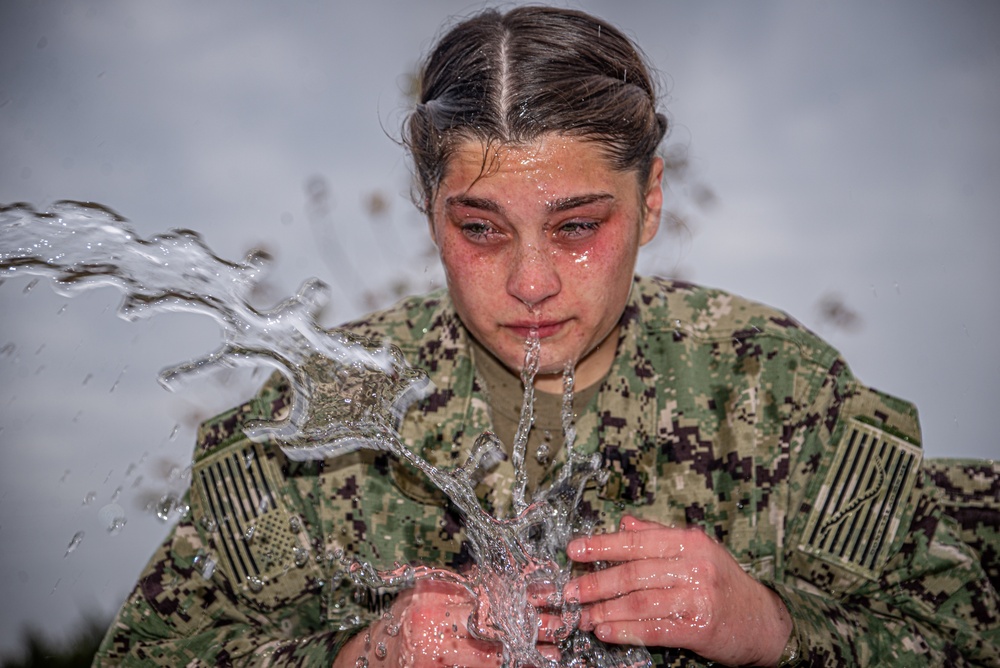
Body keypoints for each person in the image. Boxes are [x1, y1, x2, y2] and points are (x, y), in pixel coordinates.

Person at [93, 6, 999, 667]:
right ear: (429, 209)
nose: (530, 282)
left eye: (576, 226)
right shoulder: (319, 430)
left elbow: (958, 632)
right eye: (480, 228)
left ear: (649, 207)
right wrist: (355, 657)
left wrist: (772, 630)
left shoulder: (779, 391)